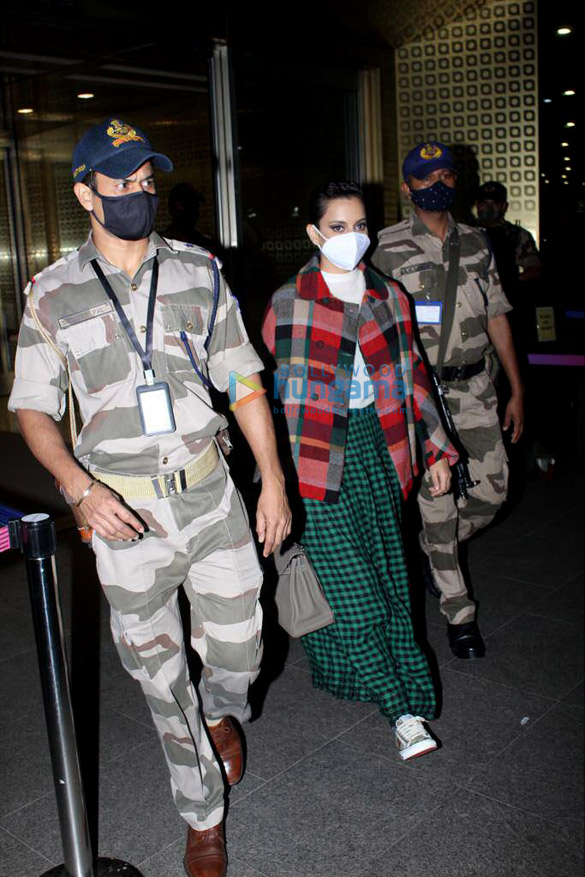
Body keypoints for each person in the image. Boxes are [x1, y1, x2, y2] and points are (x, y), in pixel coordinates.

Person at [8, 118, 291, 877]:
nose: (140, 192)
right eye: (122, 180)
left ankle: (222, 710)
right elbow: (32, 408)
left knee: (240, 646)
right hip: (123, 514)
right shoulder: (54, 292)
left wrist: (273, 479)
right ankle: (202, 815)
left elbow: (242, 381)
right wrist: (77, 486)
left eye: (147, 179)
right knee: (159, 677)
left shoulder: (199, 270)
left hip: (209, 491)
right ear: (84, 192)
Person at [262, 181, 458, 762]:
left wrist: (435, 451)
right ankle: (400, 711)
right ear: (315, 233)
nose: (354, 237)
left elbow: (413, 377)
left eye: (362, 226)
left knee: (390, 578)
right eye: (340, 227)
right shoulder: (288, 301)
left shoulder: (388, 296)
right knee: (352, 591)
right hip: (314, 462)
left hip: (380, 447)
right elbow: (271, 394)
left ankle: (368, 679)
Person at [372, 142, 525, 660]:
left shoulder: (478, 242)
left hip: (477, 388)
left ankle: (431, 549)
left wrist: (517, 390)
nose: (438, 183)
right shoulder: (385, 246)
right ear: (407, 186)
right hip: (422, 393)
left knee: (494, 493)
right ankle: (459, 613)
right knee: (437, 504)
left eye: (446, 174)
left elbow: (498, 315)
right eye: (426, 176)